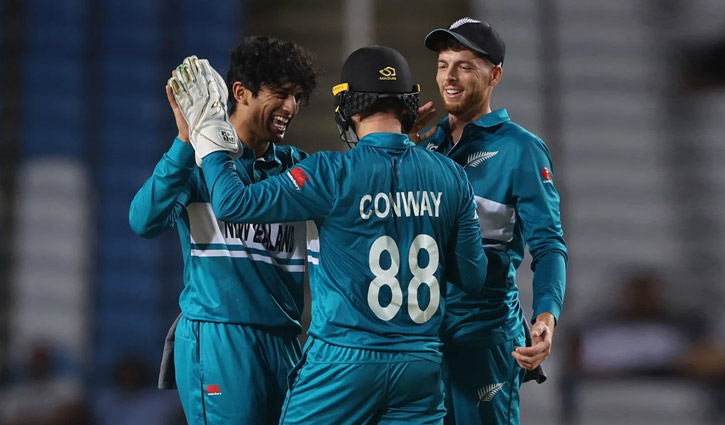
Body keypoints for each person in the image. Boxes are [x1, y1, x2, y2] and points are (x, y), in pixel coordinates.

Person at [176, 45, 489, 424]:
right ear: (408, 105)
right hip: (419, 367)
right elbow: (473, 276)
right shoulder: (452, 176)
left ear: (351, 108)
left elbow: (232, 204)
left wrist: (210, 130)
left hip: (342, 364)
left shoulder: (331, 171)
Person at [128, 35, 317, 425]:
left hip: (284, 340)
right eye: (281, 94)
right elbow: (143, 221)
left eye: (297, 97)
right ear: (241, 92)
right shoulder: (197, 164)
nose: (291, 107)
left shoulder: (297, 166)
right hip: (220, 337)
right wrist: (185, 141)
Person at [411, 17, 568, 425]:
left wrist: (546, 318)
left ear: (494, 75)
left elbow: (549, 245)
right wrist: (394, 153)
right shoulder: (423, 147)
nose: (449, 76)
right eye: (443, 65)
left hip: (483, 339)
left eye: (464, 66)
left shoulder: (521, 149)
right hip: (417, 339)